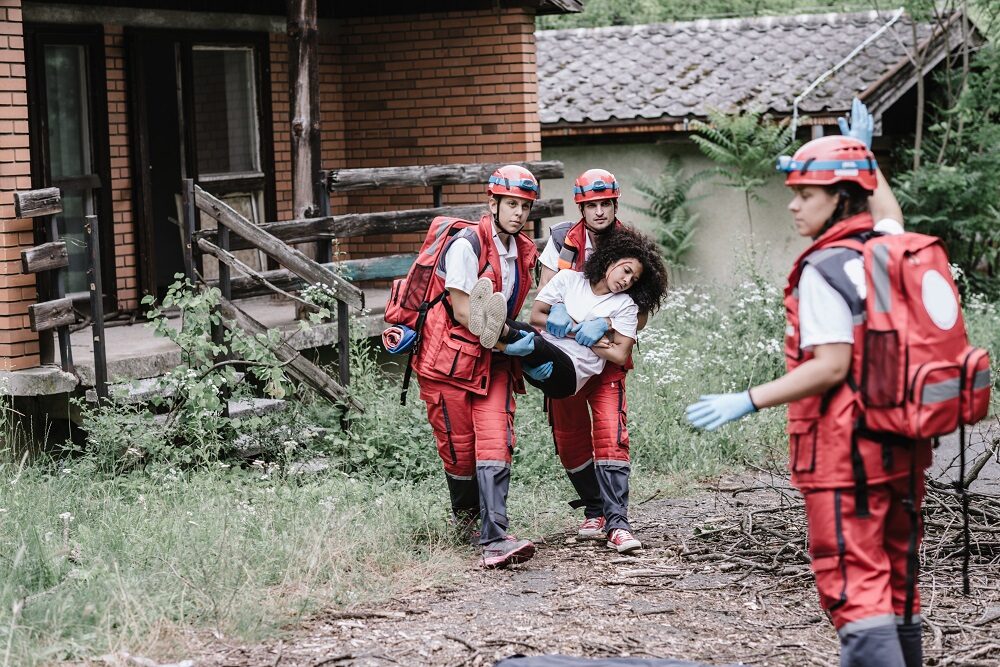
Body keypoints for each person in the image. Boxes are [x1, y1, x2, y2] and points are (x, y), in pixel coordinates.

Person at [685, 100, 927, 667]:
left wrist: (747, 399)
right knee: (896, 580)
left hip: (846, 454)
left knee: (854, 585)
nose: (793, 206)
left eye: (806, 195)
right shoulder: (889, 250)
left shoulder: (823, 268)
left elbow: (831, 366)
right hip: (901, 445)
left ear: (841, 197)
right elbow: (891, 214)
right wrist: (866, 156)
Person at [411, 164, 541, 569]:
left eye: (525, 206)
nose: (518, 213)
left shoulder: (524, 252)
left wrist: (524, 343)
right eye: (511, 204)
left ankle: (495, 536)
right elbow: (465, 311)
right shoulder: (467, 245)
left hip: (495, 359)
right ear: (493, 203)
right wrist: (508, 337)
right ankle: (467, 524)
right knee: (459, 450)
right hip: (448, 361)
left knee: (496, 440)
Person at [536, 169, 655, 552]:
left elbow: (642, 309)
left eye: (606, 204)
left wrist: (604, 321)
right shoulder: (560, 240)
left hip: (606, 359)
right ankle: (595, 508)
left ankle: (618, 522)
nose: (600, 212)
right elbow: (545, 296)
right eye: (592, 205)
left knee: (610, 434)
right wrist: (561, 322)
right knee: (569, 437)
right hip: (565, 358)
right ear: (581, 207)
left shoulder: (630, 245)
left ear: (615, 205)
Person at [469, 226, 666, 405]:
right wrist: (588, 335)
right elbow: (536, 317)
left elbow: (620, 355)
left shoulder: (626, 306)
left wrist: (575, 330)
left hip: (569, 376)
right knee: (528, 333)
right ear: (611, 259)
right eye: (626, 270)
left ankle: (502, 337)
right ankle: (491, 323)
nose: (627, 280)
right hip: (537, 363)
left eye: (634, 279)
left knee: (535, 342)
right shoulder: (568, 279)